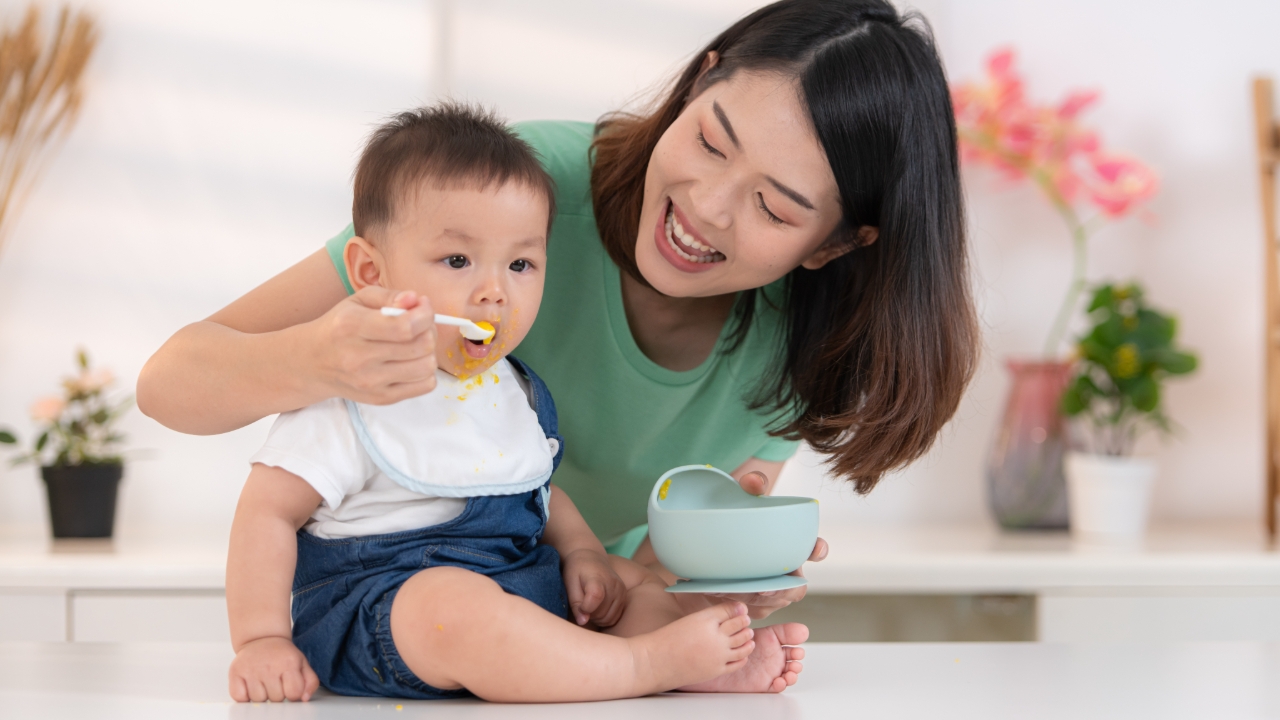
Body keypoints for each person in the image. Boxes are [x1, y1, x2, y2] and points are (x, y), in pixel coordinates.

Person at [141, 0, 978, 621]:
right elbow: (168, 383)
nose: (707, 207)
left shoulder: (808, 338)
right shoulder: (526, 196)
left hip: (559, 631)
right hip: (384, 600)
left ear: (834, 246)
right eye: (712, 141)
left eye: (776, 207)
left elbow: (644, 576)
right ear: (700, 79)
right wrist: (318, 359)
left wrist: (714, 570)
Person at [225, 105, 807, 703]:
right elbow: (267, 513)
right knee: (456, 605)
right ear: (371, 271)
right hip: (382, 614)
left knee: (632, 581)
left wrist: (583, 554)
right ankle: (642, 666)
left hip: (512, 583)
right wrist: (261, 638)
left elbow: (535, 491)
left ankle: (697, 666)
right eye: (457, 261)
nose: (493, 292)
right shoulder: (346, 394)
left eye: (521, 264)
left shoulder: (513, 390)